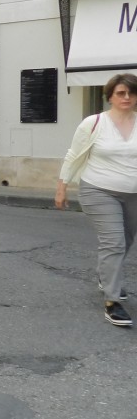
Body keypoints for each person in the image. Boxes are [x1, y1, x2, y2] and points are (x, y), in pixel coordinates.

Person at [55, 73, 137, 327]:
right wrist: (62, 187)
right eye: (121, 93)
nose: (126, 97)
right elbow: (73, 154)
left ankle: (106, 275)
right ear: (110, 95)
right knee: (114, 241)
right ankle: (113, 301)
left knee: (127, 240)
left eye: (131, 93)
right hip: (98, 190)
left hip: (133, 192)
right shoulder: (94, 123)